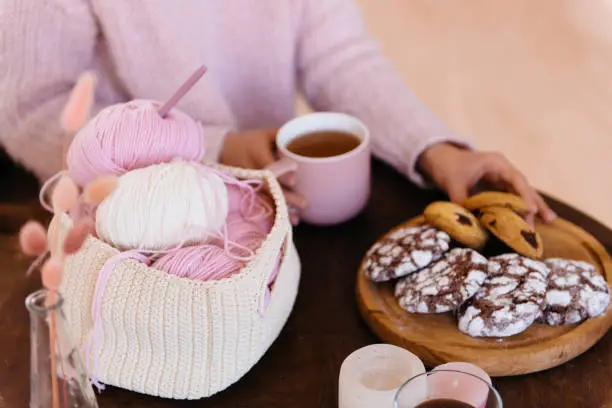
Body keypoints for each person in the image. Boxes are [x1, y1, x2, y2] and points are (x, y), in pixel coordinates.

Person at [0, 0, 555, 224]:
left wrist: (436, 150)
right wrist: (211, 150)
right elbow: (32, 111)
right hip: (142, 233)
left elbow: (338, 57)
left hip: (277, 214)